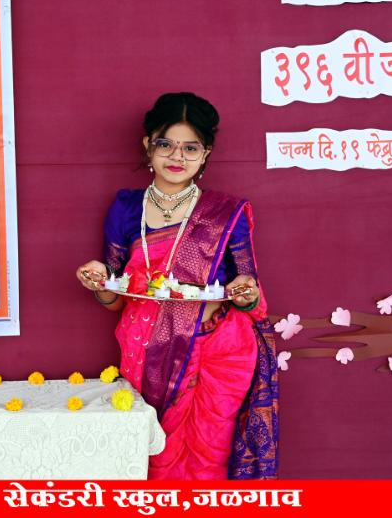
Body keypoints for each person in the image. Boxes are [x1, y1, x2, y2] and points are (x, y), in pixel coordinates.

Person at [76, 92, 279, 480]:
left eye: (190, 147)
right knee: (155, 452)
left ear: (206, 153)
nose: (177, 156)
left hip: (216, 355)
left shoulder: (226, 213)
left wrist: (246, 292)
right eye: (165, 144)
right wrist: (99, 280)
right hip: (146, 349)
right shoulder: (126, 208)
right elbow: (115, 296)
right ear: (147, 145)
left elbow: (248, 289)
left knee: (209, 455)